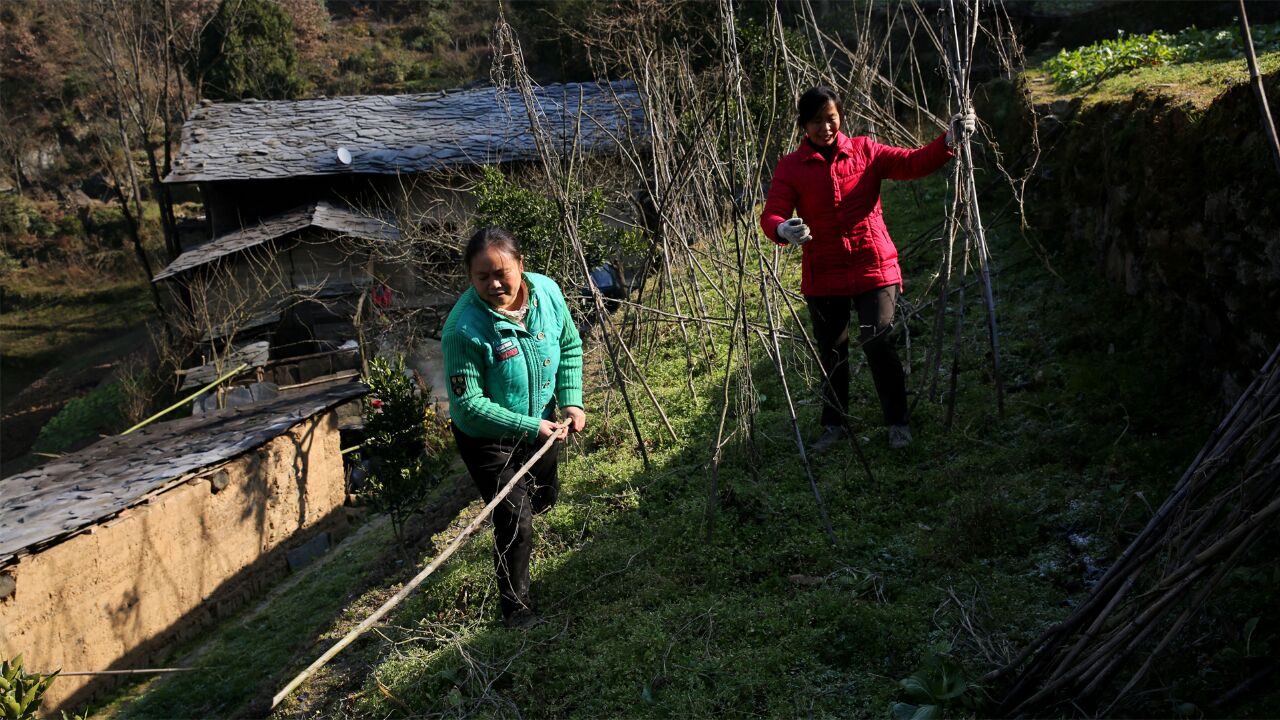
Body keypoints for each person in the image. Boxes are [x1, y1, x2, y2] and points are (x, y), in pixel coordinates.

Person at [760, 86, 975, 452]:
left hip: (873, 265)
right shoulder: (790, 167)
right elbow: (773, 212)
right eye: (816, 122)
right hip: (824, 273)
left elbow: (912, 162)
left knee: (877, 338)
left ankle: (897, 422)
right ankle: (834, 425)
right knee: (831, 351)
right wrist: (783, 228)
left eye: (831, 119)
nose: (825, 128)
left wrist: (948, 140)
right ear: (803, 125)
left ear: (840, 117)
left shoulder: (865, 150)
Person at [441, 227, 586, 628]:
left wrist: (571, 399)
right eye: (482, 277)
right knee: (514, 518)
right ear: (470, 279)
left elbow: (570, 345)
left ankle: (533, 509)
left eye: (502, 272)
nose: (494, 284)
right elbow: (468, 405)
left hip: (543, 422)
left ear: (521, 266)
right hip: (489, 438)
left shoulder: (548, 294)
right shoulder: (463, 330)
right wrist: (528, 425)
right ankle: (516, 611)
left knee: (544, 497)